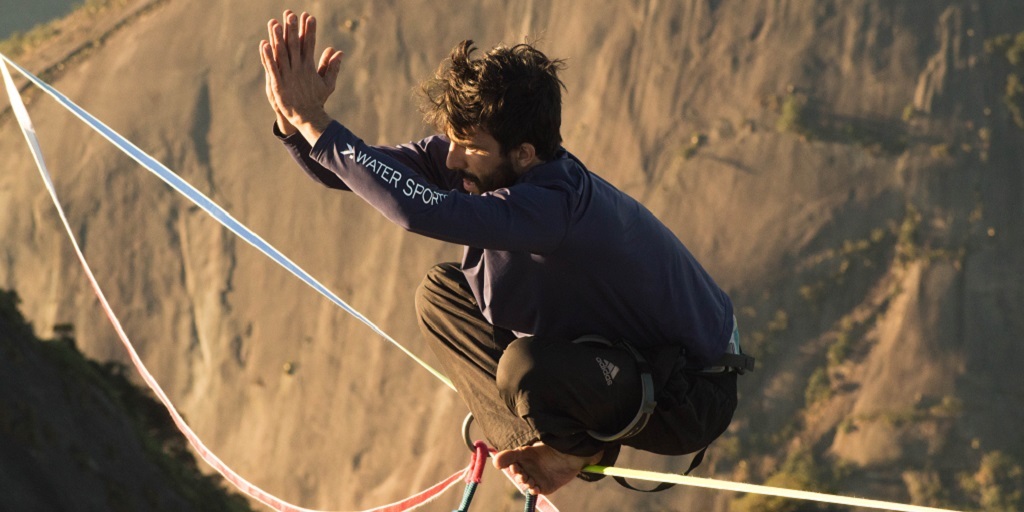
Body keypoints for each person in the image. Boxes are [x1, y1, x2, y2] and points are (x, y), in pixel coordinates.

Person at [259, 10, 751, 497]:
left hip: (687, 392)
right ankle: (535, 446)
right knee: (441, 293)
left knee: (525, 367)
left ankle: (573, 449)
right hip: (616, 365)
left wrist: (315, 119)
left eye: (467, 147)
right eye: (451, 141)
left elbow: (418, 210)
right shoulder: (483, 160)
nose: (451, 159)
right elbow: (351, 170)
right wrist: (293, 120)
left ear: (524, 153)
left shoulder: (553, 204)